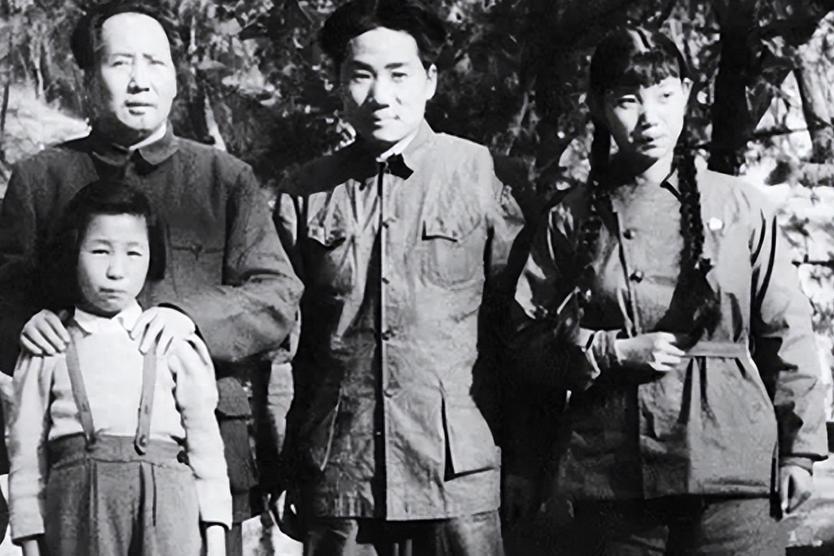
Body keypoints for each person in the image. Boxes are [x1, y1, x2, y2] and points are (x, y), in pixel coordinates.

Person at [0, 2, 303, 554]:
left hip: (206, 463)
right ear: (87, 79)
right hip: (76, 476)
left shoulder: (224, 179)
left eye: (155, 63)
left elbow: (276, 294)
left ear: (176, 79)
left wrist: (191, 318)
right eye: (121, 63)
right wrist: (25, 323)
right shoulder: (41, 180)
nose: (140, 80)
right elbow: (5, 288)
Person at [511, 26, 827, 554]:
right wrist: (611, 351)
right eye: (628, 100)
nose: (650, 117)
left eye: (663, 95)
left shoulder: (742, 207)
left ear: (686, 93)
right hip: (614, 474)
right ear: (598, 107)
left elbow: (787, 331)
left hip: (731, 467)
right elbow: (526, 343)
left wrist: (800, 451)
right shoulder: (568, 218)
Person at [271, 0, 525, 553]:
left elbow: (519, 334)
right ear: (339, 85)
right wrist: (282, 462)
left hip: (456, 477)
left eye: (399, 75)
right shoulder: (304, 194)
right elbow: (283, 349)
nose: (380, 95)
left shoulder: (483, 176)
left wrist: (526, 463)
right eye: (361, 75)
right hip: (340, 478)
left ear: (430, 80)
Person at [7, 180, 230, 555]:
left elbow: (206, 449)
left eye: (133, 253)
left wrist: (216, 538)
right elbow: (26, 457)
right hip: (76, 515)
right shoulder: (48, 346)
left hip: (169, 516)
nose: (116, 271)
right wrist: (30, 543)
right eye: (99, 251)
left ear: (152, 257)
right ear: (73, 253)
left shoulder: (173, 341)